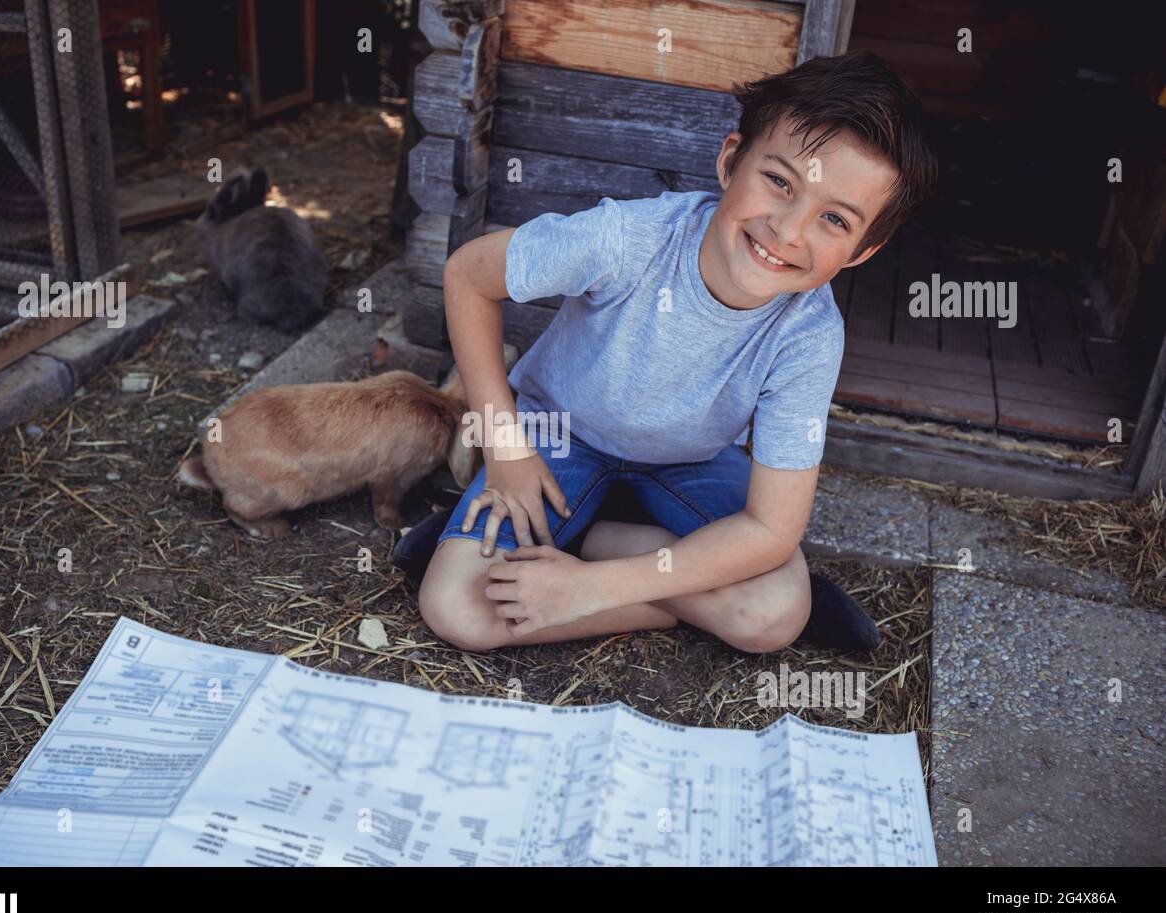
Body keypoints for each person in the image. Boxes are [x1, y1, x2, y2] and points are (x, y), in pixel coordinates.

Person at [394, 52, 937, 656]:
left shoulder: (809, 335)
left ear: (862, 252)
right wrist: (505, 447)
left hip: (691, 464)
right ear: (731, 160)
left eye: (834, 219)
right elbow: (469, 274)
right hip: (559, 438)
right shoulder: (627, 239)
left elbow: (771, 529)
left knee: (773, 612)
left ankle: (590, 543)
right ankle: (665, 588)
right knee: (457, 607)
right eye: (780, 182)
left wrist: (590, 590)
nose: (787, 231)